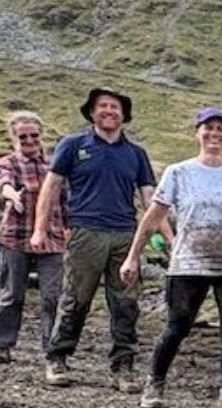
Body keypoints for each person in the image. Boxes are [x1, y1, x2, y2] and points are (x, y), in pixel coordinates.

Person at [124, 107, 222, 408]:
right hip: (188, 264)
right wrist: (132, 256)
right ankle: (155, 383)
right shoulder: (179, 173)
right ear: (197, 133)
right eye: (208, 127)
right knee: (177, 326)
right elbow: (153, 217)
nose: (215, 134)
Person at [37, 86, 157, 388]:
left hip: (125, 236)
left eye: (115, 107)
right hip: (85, 232)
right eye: (102, 106)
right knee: (76, 298)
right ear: (91, 112)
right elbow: (51, 188)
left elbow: (150, 200)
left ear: (123, 116)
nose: (108, 111)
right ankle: (58, 358)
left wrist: (167, 235)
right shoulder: (72, 145)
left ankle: (123, 366)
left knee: (126, 303)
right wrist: (40, 229)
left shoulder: (136, 154)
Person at [0, 109, 65, 364]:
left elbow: (66, 200)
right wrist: (11, 194)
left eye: (34, 136)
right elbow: (3, 181)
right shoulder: (6, 162)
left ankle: (52, 348)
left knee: (52, 296)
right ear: (14, 138)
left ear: (41, 135)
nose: (30, 141)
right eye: (23, 137)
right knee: (11, 293)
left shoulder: (55, 165)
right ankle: (2, 344)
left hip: (52, 237)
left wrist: (71, 228)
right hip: (16, 235)